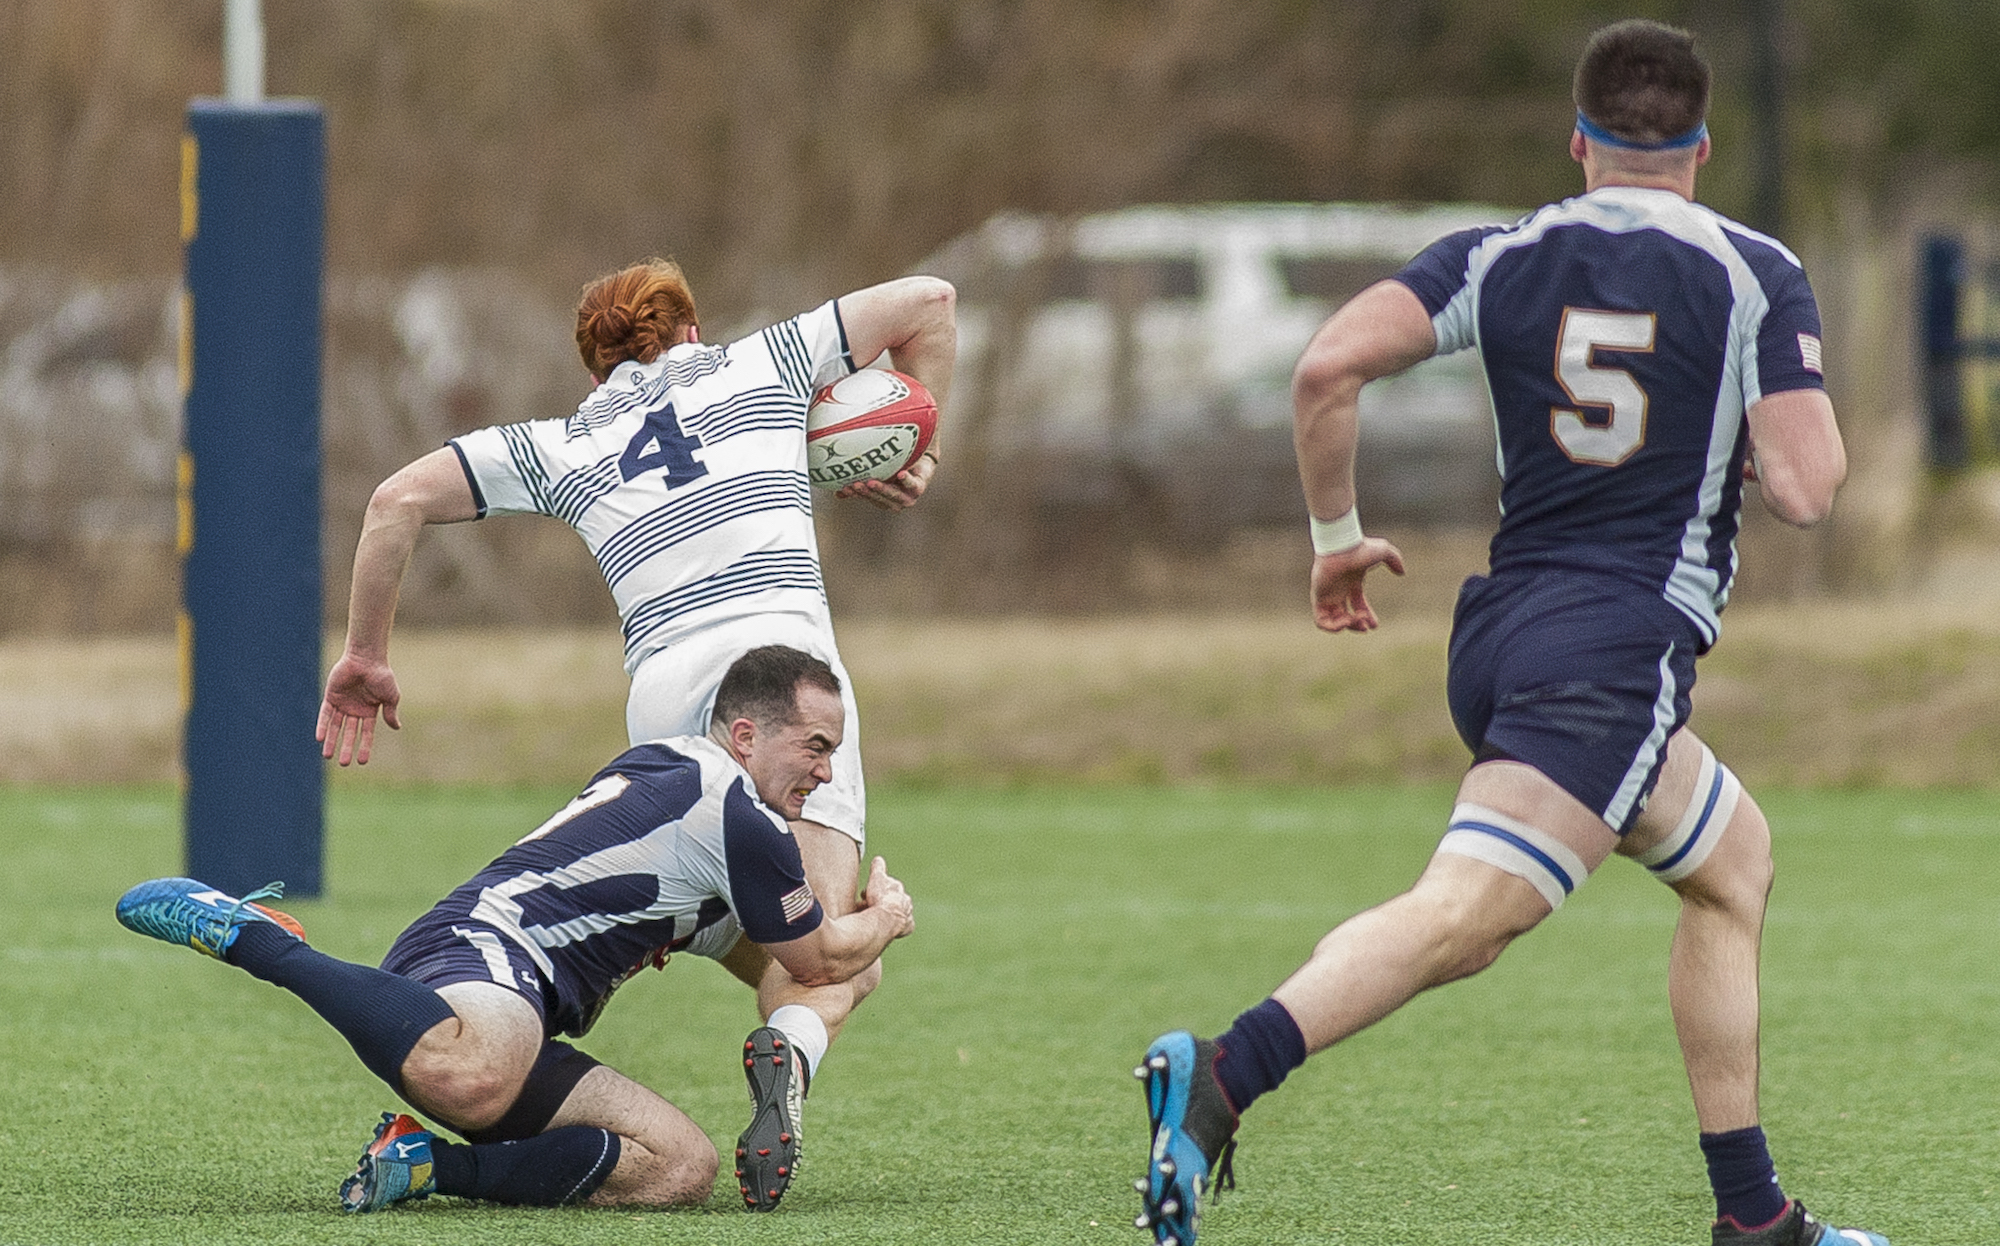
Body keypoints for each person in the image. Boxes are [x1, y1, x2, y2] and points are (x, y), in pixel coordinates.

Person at [1133, 20, 1886, 1246]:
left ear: (1579, 140)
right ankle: (1217, 1078)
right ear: (1700, 147)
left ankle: (1756, 1220)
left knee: (1731, 865)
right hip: (1611, 654)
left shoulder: (1499, 252)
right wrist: (1745, 419)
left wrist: (1334, 537)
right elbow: (1807, 489)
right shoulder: (1753, 270)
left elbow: (1325, 367)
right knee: (1462, 920)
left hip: (1500, 634)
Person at [312, 259, 955, 1195]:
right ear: (692, 331)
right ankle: (787, 1055)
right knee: (830, 949)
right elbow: (931, 299)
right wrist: (919, 442)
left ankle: (682, 928)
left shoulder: (568, 442)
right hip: (786, 688)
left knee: (790, 941)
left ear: (594, 369)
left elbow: (393, 502)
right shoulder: (763, 365)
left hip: (667, 705)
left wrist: (366, 653)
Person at [119, 645, 914, 1214]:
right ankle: (260, 940)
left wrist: (840, 978)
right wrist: (884, 919)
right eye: (814, 746)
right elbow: (813, 952)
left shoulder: (686, 787)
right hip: (480, 950)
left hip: (524, 1006)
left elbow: (809, 969)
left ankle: (425, 1167)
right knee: (478, 1073)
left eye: (835, 753)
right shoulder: (735, 812)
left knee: (680, 1167)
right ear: (745, 736)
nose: (826, 772)